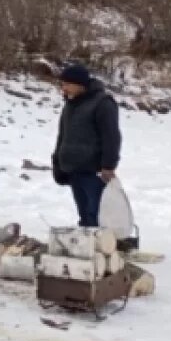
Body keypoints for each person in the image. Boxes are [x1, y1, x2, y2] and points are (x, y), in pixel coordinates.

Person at [52, 63, 121, 227]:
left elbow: (111, 136)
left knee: (96, 213)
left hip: (94, 171)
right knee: (84, 213)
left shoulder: (103, 103)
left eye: (67, 84)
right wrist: (57, 163)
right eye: (62, 84)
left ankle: (103, 245)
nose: (63, 88)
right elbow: (63, 136)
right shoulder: (70, 105)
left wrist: (108, 165)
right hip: (73, 168)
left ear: (80, 84)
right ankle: (87, 244)